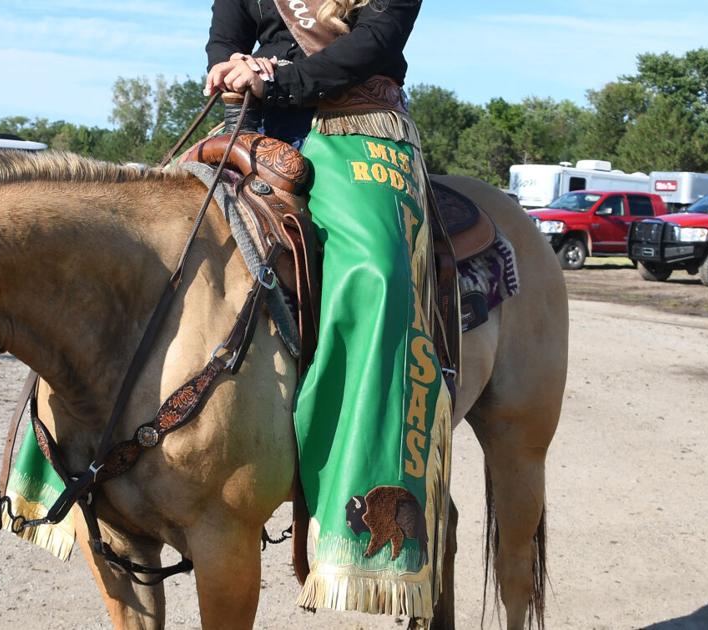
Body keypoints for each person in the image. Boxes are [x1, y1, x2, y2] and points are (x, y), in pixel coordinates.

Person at [203, 0, 454, 621]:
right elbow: (225, 34)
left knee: (377, 273)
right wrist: (227, 67)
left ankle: (362, 490)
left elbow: (375, 41)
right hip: (253, 123)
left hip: (354, 124)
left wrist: (279, 78)